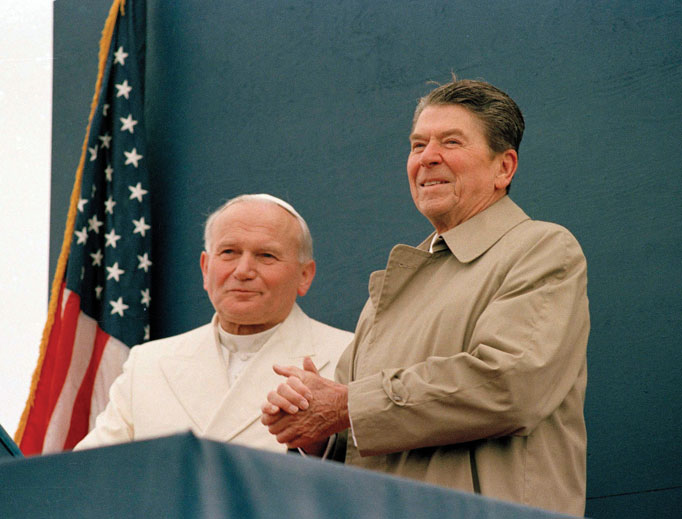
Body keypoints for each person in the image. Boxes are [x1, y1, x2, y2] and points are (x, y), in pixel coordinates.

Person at [261, 78, 590, 515]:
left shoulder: (542, 249)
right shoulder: (397, 280)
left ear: (504, 168)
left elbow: (510, 385)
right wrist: (315, 435)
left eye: (450, 142)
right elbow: (357, 429)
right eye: (418, 145)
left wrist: (345, 406)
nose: (428, 157)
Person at [75, 194, 353, 452]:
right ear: (206, 269)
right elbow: (93, 470)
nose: (243, 271)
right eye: (229, 252)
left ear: (305, 275)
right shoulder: (147, 364)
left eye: (266, 255)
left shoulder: (350, 355)